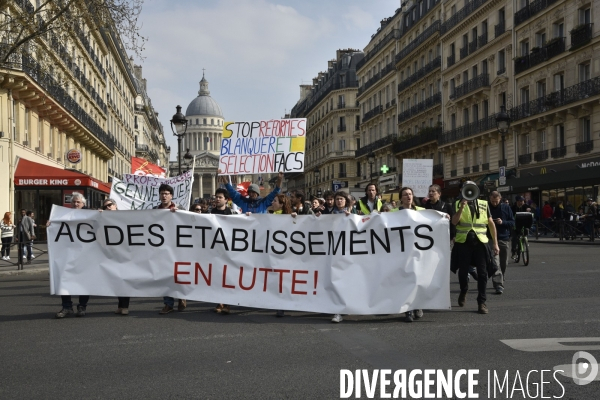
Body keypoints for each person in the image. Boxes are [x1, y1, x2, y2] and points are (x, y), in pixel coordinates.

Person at [451, 183, 499, 315]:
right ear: (462, 190)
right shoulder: (456, 203)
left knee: (483, 274)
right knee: (463, 272)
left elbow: (490, 223)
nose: (470, 192)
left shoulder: (484, 203)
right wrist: (461, 207)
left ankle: (481, 302)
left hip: (481, 242)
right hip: (463, 242)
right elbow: (454, 222)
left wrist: (495, 243)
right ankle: (464, 290)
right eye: (467, 189)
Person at [54, 193, 91, 318]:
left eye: (78, 202)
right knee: (65, 280)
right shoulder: (65, 215)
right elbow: (56, 226)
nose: (76, 204)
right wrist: (51, 225)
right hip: (68, 254)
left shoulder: (91, 215)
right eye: (74, 202)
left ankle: (82, 306)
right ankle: (67, 307)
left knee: (84, 281)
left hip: (85, 254)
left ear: (83, 204)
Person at [154, 183, 187, 314]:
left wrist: (179, 214)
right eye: (162, 193)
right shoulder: (155, 210)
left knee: (179, 274)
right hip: (162, 248)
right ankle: (168, 304)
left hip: (178, 247)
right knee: (166, 275)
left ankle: (181, 296)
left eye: (166, 194)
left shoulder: (180, 208)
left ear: (171, 196)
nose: (164, 196)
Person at [395, 187, 424, 322]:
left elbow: (435, 216)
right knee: (405, 280)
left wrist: (443, 216)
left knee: (416, 279)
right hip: (401, 253)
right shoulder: (394, 212)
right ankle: (408, 310)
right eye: (405, 195)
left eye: (410, 194)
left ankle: (417, 305)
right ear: (401, 198)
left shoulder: (421, 211)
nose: (408, 196)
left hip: (417, 252)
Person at [99, 199, 131, 315]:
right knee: (117, 279)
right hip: (111, 253)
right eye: (106, 206)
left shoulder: (123, 216)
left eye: (110, 205)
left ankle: (125, 306)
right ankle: (120, 305)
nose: (108, 207)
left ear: (115, 206)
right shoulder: (103, 217)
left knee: (124, 279)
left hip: (124, 252)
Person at [211, 186, 236, 315]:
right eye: (217, 197)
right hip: (215, 250)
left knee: (227, 277)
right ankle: (220, 302)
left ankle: (226, 303)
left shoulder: (232, 214)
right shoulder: (209, 214)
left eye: (220, 197)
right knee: (217, 277)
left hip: (228, 250)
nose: (217, 199)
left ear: (226, 200)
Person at [269, 194, 295, 318]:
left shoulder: (290, 217)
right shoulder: (268, 216)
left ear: (281, 204)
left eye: (274, 201)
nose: (272, 202)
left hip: (286, 254)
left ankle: (282, 305)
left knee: (284, 279)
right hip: (273, 252)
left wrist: (296, 219)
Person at [488, 191, 515, 295]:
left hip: (503, 238)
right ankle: (498, 284)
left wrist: (502, 222)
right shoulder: (486, 207)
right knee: (495, 262)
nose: (494, 203)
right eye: (492, 201)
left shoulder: (506, 207)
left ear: (500, 199)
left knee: (503, 262)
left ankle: (501, 278)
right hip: (490, 238)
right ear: (490, 199)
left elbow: (512, 222)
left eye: (496, 201)